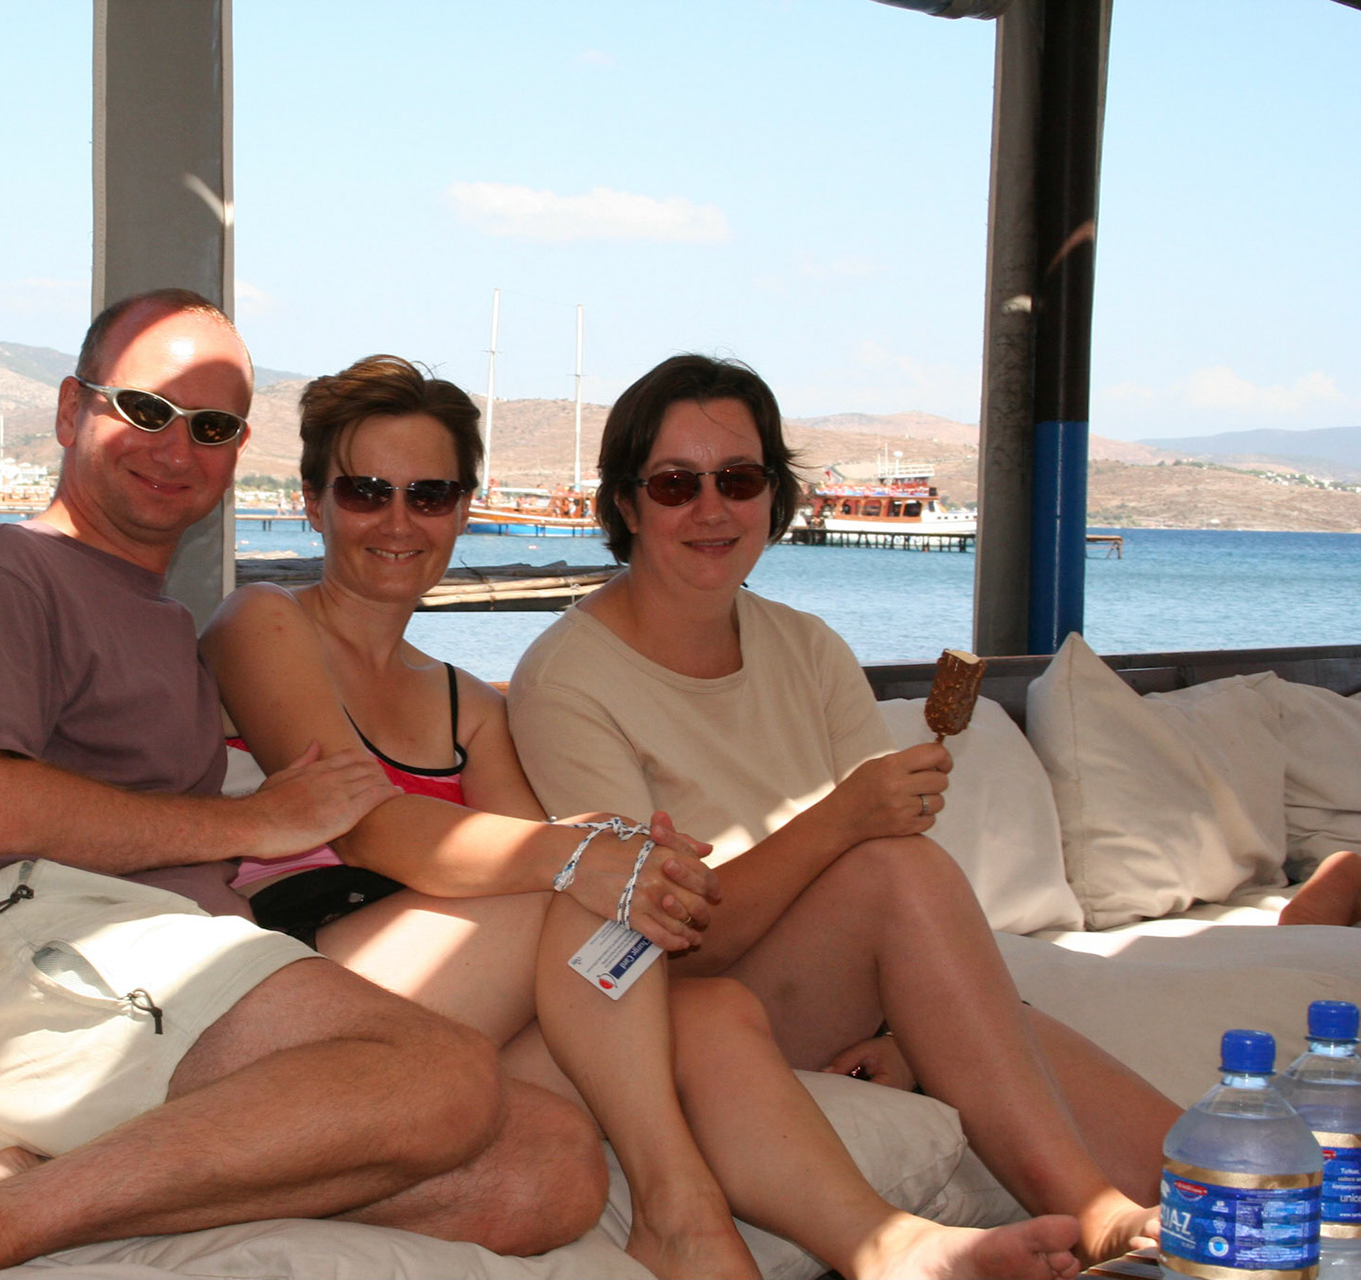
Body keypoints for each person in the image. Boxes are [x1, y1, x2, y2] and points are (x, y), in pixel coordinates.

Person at [203, 354, 1084, 1280]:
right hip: (321, 961)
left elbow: (554, 873)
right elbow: (373, 828)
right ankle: (677, 1208)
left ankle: (887, 1246)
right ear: (312, 504)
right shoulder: (263, 621)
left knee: (709, 1008)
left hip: (465, 997)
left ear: (463, 510)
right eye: (365, 491)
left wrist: (618, 856)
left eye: (429, 494)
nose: (398, 520)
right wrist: (594, 858)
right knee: (598, 879)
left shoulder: (466, 704)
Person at [0, 293, 607, 1280]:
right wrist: (253, 820)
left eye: (212, 426)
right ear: (69, 410)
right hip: (41, 946)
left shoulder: (153, 620)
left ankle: (47, 1180)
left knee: (551, 1166)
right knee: (439, 1073)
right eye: (145, 409)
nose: (175, 446)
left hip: (162, 967)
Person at [507, 353, 1185, 1268]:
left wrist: (899, 1031)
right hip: (682, 1009)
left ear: (773, 495)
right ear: (626, 504)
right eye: (674, 485)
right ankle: (1088, 1209)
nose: (711, 509)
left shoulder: (807, 647)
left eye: (738, 479)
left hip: (823, 989)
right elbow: (650, 938)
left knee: (1201, 1174)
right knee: (894, 869)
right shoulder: (568, 680)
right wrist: (839, 821)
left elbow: (894, 912)